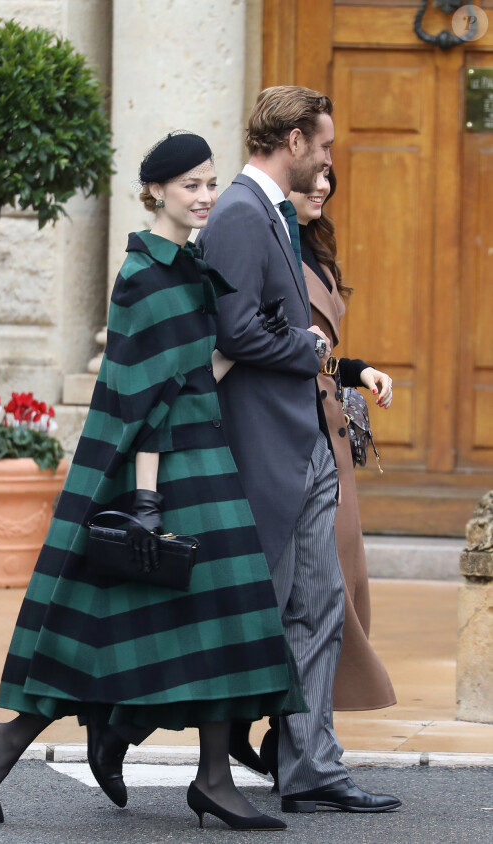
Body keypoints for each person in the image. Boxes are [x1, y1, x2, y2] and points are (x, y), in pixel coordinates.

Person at [0, 131, 305, 832]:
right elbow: (139, 396)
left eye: (210, 184)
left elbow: (192, 375)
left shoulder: (190, 267)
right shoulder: (143, 275)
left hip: (203, 454)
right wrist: (146, 498)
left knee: (221, 621)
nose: (205, 197)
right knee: (101, 627)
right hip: (160, 468)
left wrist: (237, 348)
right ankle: (12, 739)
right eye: (190, 187)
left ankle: (208, 777)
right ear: (155, 192)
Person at [196, 85, 401, 814]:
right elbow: (232, 329)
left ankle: (310, 765)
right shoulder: (243, 214)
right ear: (290, 142)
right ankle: (197, 764)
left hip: (307, 441)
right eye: (321, 145)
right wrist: (307, 346)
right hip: (267, 447)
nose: (326, 159)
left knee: (318, 608)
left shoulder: (273, 215)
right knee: (265, 610)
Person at [291, 167, 397, 712]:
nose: (323, 185)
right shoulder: (270, 242)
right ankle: (294, 735)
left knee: (339, 580)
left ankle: (296, 736)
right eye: (311, 175)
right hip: (294, 433)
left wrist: (358, 370)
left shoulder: (312, 246)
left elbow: (319, 348)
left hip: (328, 426)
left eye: (329, 175)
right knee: (317, 592)